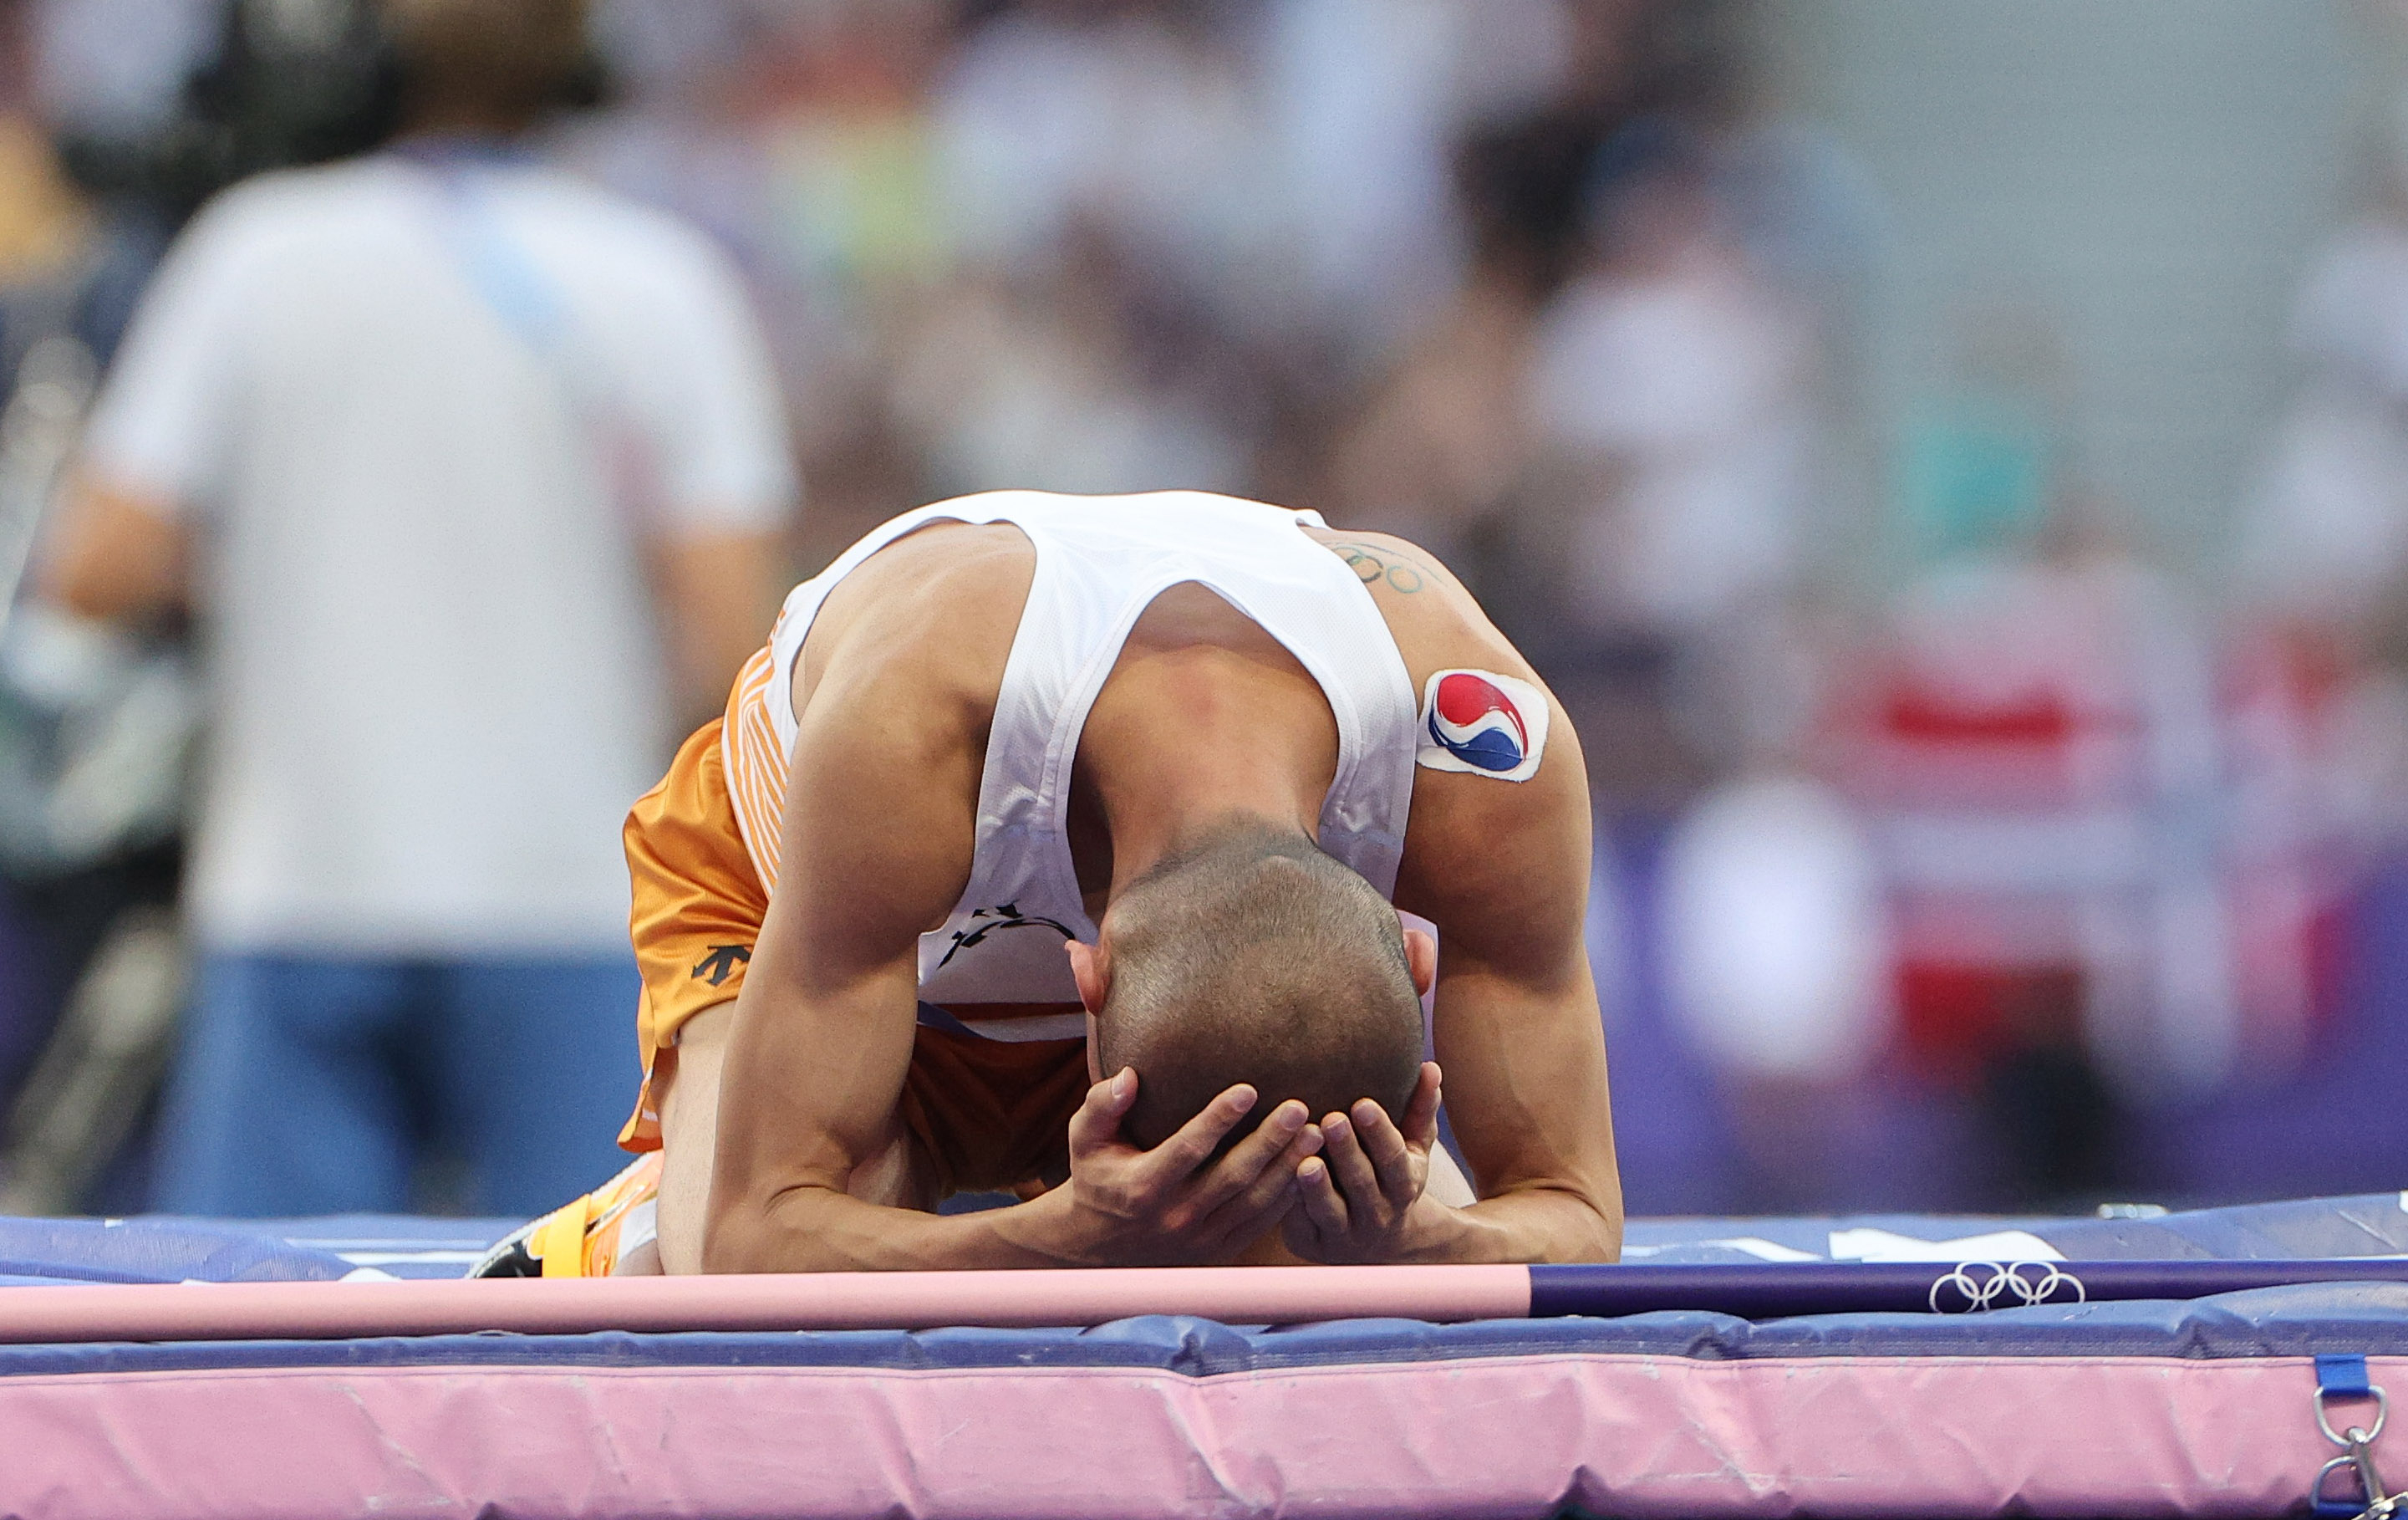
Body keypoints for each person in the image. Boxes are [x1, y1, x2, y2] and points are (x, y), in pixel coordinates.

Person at [39, 0, 797, 1217]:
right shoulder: (659, 280)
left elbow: (97, 568)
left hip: (300, 877)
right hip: (570, 888)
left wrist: (278, 562)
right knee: (584, 1332)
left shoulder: (256, 254)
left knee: (266, 1351)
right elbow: (732, 641)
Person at [490, 489, 1621, 1276]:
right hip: (805, 882)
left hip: (1022, 920)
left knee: (1362, 1275)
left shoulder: (1478, 743)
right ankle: (630, 1225)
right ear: (1083, 980)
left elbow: (1576, 1210)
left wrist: (1410, 1243)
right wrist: (1058, 1238)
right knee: (759, 1293)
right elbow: (759, 1243)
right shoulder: (914, 721)